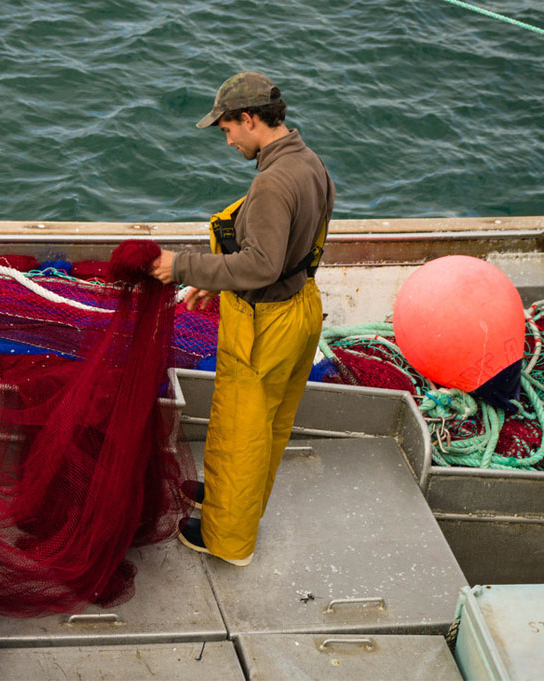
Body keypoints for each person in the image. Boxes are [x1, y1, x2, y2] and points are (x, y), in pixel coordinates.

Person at [150, 71, 334, 566]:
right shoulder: (307, 161)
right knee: (267, 427)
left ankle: (227, 540)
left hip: (265, 326)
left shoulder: (273, 182)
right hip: (300, 309)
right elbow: (284, 255)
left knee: (240, 431)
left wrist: (182, 266)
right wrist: (219, 277)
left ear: (250, 120)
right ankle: (235, 501)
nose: (227, 139)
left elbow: (260, 265)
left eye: (228, 129)